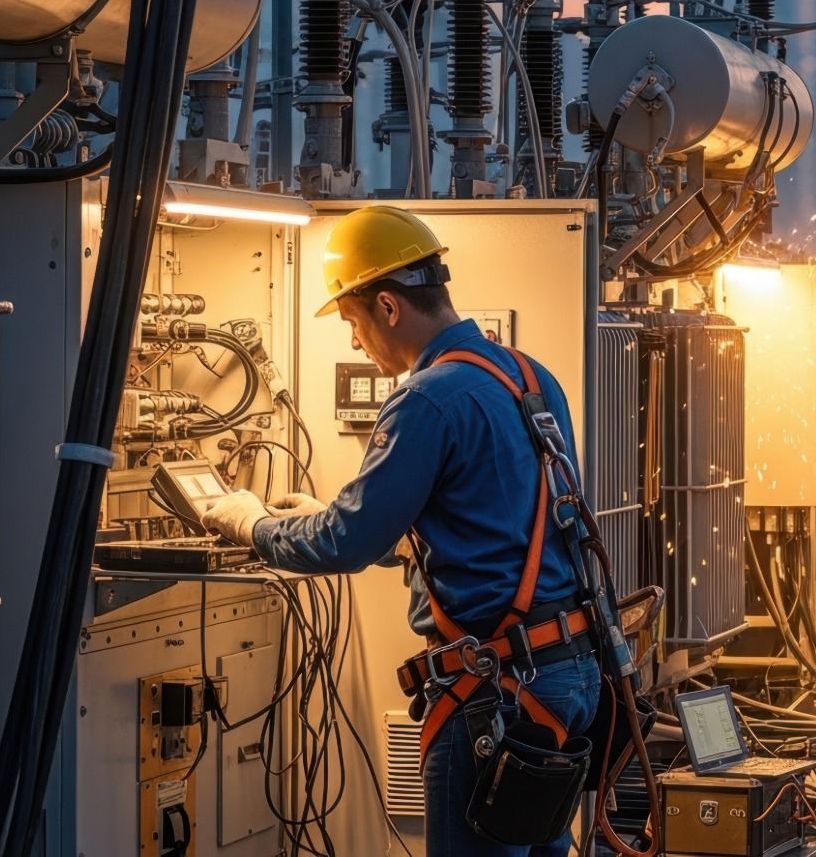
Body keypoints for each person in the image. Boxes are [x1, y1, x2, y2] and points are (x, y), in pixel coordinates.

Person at [200, 205, 601, 857]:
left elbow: (345, 544)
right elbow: (491, 528)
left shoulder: (426, 399)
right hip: (566, 677)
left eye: (353, 321)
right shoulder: (529, 377)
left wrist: (252, 524)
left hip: (493, 693)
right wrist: (318, 513)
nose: (355, 342)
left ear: (388, 307)